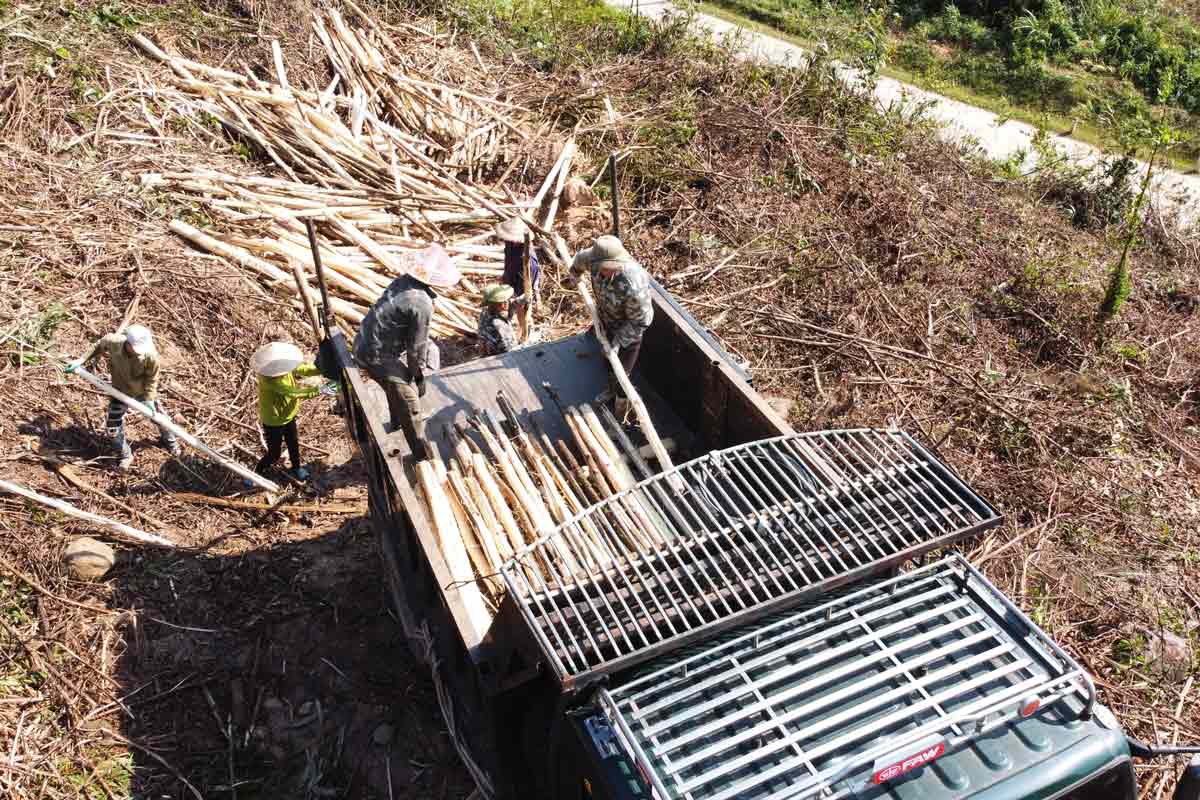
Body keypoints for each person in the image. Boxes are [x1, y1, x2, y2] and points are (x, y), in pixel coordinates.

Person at [354, 244, 460, 458]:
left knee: (397, 386)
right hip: (377, 355)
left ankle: (396, 422)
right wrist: (418, 377)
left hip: (364, 342)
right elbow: (416, 348)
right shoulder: (421, 303)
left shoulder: (403, 282)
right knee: (411, 403)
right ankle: (422, 456)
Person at [65, 324, 178, 471]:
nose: (139, 352)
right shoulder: (114, 342)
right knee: (112, 429)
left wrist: (149, 398)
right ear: (128, 343)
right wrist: (81, 360)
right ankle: (125, 455)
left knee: (161, 419)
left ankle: (170, 442)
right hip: (119, 392)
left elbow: (152, 379)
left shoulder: (151, 355)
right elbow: (99, 345)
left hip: (142, 393)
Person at [566, 235, 653, 405]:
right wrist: (575, 274)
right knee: (607, 362)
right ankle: (611, 387)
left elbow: (641, 321)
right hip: (606, 318)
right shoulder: (591, 258)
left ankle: (621, 403)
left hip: (628, 331)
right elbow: (578, 262)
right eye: (605, 268)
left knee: (621, 374)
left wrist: (617, 344)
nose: (609, 271)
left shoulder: (633, 283)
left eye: (614, 267)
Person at [250, 341, 328, 485]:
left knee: (293, 444)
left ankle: (297, 468)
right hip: (273, 420)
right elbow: (295, 393)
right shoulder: (270, 380)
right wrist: (323, 389)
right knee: (274, 454)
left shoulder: (284, 365)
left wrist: (324, 368)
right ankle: (256, 472)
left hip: (289, 414)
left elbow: (304, 369)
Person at [495, 217, 539, 304]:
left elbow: (525, 290)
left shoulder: (529, 262)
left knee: (519, 310)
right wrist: (505, 277)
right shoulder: (509, 243)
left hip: (521, 292)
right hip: (510, 280)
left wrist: (514, 299)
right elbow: (508, 260)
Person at [478, 284, 517, 355]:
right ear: (502, 304)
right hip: (500, 356)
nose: (509, 301)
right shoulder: (498, 324)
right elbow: (509, 350)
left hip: (487, 351)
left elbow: (508, 310)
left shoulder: (485, 311)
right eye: (507, 300)